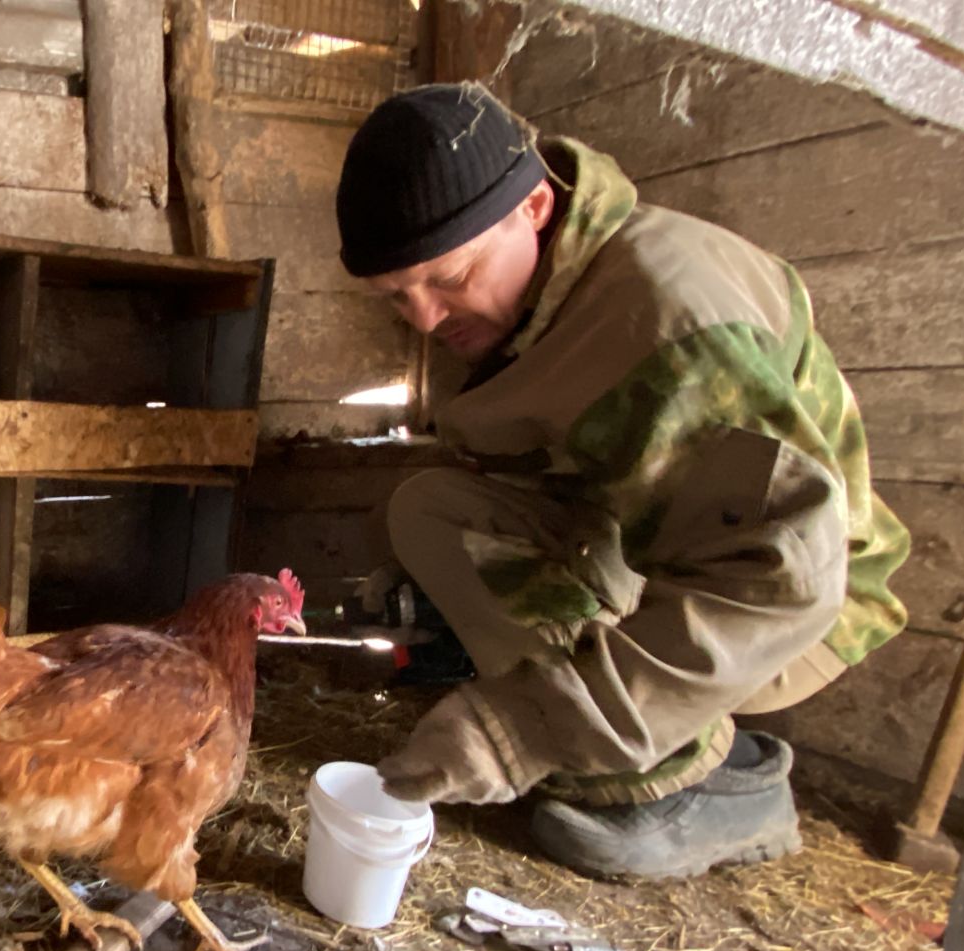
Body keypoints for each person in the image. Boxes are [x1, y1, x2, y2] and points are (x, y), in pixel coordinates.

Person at [336, 83, 911, 879]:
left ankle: (686, 788)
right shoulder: (553, 288)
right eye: (398, 298)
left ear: (532, 206)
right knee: (432, 510)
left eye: (450, 278)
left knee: (469, 556)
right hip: (668, 553)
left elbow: (778, 581)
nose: (426, 320)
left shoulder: (667, 329)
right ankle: (665, 731)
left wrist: (520, 731)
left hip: (791, 605)